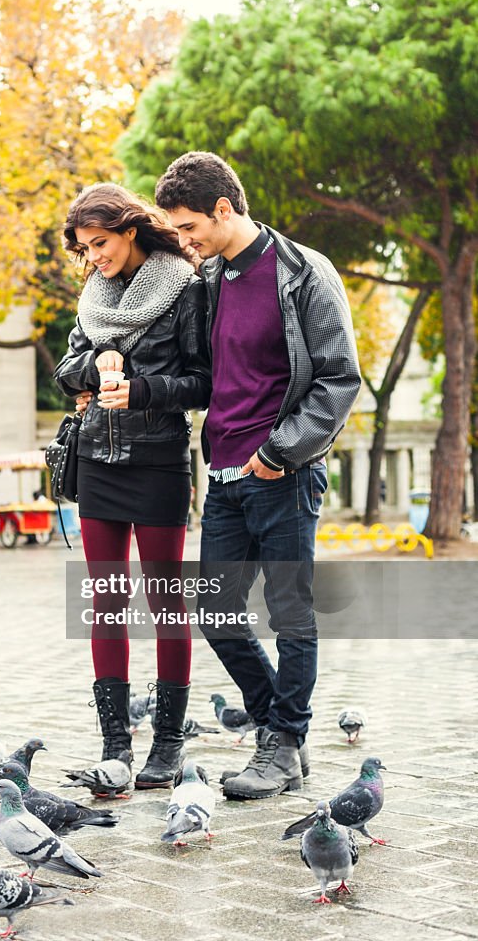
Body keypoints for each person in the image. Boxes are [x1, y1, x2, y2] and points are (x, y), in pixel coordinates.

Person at [154, 152, 361, 799]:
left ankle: (282, 742)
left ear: (224, 208)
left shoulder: (304, 274)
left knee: (289, 611)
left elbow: (337, 378)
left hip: (282, 475)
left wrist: (280, 452)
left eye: (189, 227)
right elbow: (203, 376)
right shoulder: (208, 281)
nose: (184, 242)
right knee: (216, 612)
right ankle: (282, 731)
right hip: (221, 474)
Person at [54, 183, 211, 789]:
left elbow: (202, 382)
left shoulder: (184, 286)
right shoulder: (93, 294)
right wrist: (93, 367)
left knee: (167, 601)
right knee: (108, 601)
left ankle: (168, 745)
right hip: (96, 458)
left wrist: (141, 387)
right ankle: (115, 745)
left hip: (159, 461)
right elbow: (68, 367)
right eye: (85, 249)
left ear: (129, 230)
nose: (94, 257)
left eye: (100, 243)